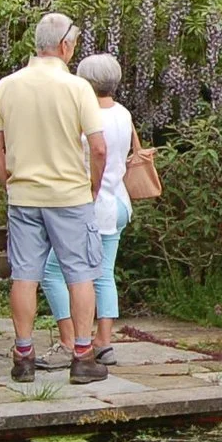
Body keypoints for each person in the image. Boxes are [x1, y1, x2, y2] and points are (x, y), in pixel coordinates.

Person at [0, 13, 109, 386]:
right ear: (66, 46)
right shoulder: (77, 88)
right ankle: (83, 355)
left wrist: (9, 183)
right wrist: (92, 187)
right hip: (70, 195)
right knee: (80, 274)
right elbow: (99, 148)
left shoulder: (7, 86)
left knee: (24, 275)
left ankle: (23, 354)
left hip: (24, 194)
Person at [34, 55, 136, 368]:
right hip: (119, 202)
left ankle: (69, 341)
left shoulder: (86, 115)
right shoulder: (123, 112)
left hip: (91, 204)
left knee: (52, 272)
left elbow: (85, 155)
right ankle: (104, 342)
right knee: (103, 273)